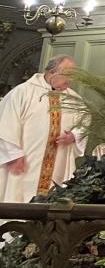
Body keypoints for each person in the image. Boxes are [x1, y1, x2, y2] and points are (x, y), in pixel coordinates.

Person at [0, 56, 86, 202]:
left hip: (58, 163)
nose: (69, 81)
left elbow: (85, 124)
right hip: (25, 163)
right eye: (67, 76)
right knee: (19, 199)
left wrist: (74, 136)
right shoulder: (22, 92)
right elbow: (5, 124)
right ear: (52, 72)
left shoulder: (74, 99)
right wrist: (12, 155)